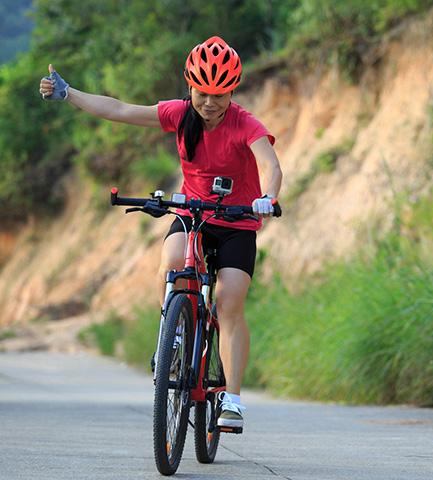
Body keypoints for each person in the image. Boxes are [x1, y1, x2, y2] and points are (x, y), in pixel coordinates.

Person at [39, 36, 283, 430]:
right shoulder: (179, 114)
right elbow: (120, 109)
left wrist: (267, 198)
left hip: (238, 222)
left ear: (232, 91)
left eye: (219, 95)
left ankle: (233, 400)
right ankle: (170, 337)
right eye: (203, 93)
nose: (210, 103)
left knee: (229, 300)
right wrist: (69, 94)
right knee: (171, 262)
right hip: (193, 211)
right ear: (190, 87)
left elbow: (271, 166)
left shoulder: (245, 124)